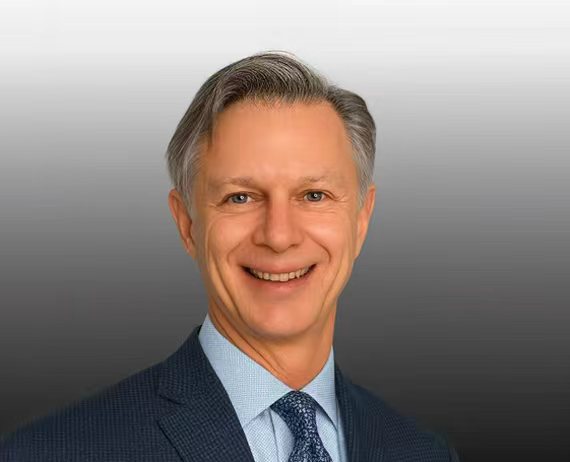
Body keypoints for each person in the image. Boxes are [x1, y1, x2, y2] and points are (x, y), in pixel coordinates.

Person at [0, 51, 460, 461]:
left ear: (361, 219)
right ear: (187, 224)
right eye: (240, 198)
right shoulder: (50, 453)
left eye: (314, 195)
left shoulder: (422, 453)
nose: (278, 236)